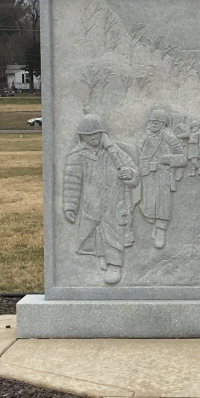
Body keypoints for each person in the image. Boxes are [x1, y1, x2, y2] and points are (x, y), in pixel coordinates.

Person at [61, 113, 139, 285]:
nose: (94, 137)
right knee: (94, 232)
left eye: (97, 133)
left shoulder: (115, 152)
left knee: (114, 234)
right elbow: (72, 182)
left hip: (114, 202)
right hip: (91, 203)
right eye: (90, 134)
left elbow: (133, 172)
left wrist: (130, 174)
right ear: (82, 136)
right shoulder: (77, 156)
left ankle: (115, 265)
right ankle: (101, 255)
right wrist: (69, 206)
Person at [136, 109, 187, 248]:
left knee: (163, 205)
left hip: (164, 176)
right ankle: (154, 223)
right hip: (147, 176)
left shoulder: (169, 137)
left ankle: (161, 230)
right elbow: (136, 154)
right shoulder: (144, 138)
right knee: (147, 206)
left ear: (163, 124)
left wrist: (169, 159)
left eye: (157, 122)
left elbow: (182, 158)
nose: (154, 125)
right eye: (152, 122)